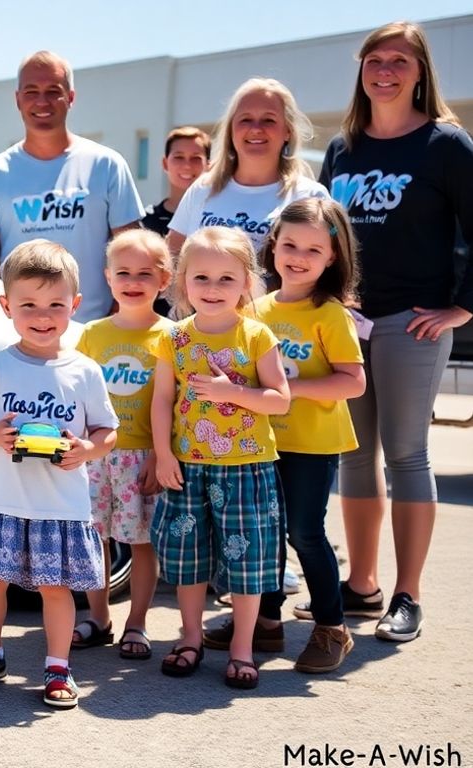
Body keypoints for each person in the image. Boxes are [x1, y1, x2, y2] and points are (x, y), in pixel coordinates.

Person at [318, 21, 473, 643]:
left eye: (399, 61)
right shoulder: (343, 149)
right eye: (375, 60)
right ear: (362, 70)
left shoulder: (446, 144)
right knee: (355, 454)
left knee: (407, 452)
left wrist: (462, 309)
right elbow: (324, 236)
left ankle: (409, 596)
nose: (385, 71)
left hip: (414, 323)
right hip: (348, 322)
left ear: (419, 72)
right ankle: (362, 585)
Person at [203, 199, 366, 673]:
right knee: (266, 535)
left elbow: (353, 382)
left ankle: (332, 627)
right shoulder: (255, 309)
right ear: (272, 246)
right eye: (290, 244)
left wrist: (286, 392)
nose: (299, 257)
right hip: (260, 443)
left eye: (313, 249)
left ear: (332, 257)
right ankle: (266, 622)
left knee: (305, 533)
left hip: (312, 445)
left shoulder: (330, 313)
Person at [0, 240, 119, 709]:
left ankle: (58, 666)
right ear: (7, 306)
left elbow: (108, 432)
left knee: (55, 588)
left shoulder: (84, 371)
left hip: (59, 505)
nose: (42, 317)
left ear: (75, 305)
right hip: (2, 500)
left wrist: (87, 449)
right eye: (28, 305)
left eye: (55, 306)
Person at [151, 226, 291, 689]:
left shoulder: (256, 335)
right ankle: (190, 637)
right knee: (187, 557)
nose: (212, 289)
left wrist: (232, 392)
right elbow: (162, 400)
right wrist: (163, 454)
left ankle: (242, 648)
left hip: (247, 470)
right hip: (187, 467)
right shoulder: (173, 337)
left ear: (246, 283)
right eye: (202, 278)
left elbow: (280, 399)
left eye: (226, 279)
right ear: (183, 281)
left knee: (247, 563)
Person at [0, 50, 144, 321]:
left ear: (71, 97)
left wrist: (118, 316)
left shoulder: (106, 164)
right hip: (20, 331)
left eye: (53, 91)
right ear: (18, 99)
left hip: (95, 329)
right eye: (31, 91)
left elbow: (132, 250)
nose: (42, 101)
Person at [70, 230, 173, 661]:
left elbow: (177, 404)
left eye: (144, 273)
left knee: (141, 541)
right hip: (96, 456)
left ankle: (137, 622)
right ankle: (98, 617)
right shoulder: (92, 334)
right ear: (108, 277)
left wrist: (161, 455)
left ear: (164, 280)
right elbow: (75, 395)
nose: (133, 281)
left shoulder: (173, 335)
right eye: (123, 272)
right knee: (95, 537)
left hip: (143, 457)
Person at [167, 78, 328, 258]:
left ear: (288, 131)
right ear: (231, 130)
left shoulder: (311, 196)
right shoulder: (201, 189)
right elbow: (171, 261)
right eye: (246, 119)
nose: (256, 129)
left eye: (268, 120)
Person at [142, 127, 212, 237]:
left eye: (196, 158)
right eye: (179, 157)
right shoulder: (145, 221)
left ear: (208, 165)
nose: (187, 166)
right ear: (165, 164)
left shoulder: (218, 218)